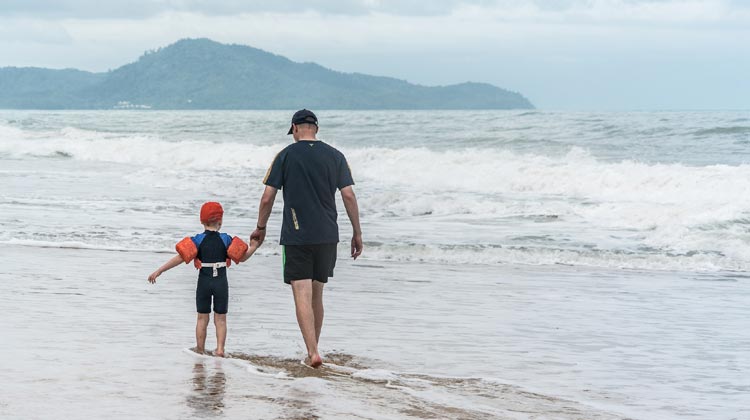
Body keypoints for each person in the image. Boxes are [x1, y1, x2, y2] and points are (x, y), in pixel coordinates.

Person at [251, 109, 363, 368]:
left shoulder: (286, 155)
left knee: (301, 293)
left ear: (295, 128)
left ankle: (312, 351)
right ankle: (315, 348)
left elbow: (267, 197)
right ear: (316, 128)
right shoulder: (336, 156)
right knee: (317, 294)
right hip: (327, 235)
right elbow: (348, 196)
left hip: (296, 235)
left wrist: (260, 227)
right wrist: (357, 232)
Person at [148, 202, 258, 357]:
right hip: (220, 282)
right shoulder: (226, 239)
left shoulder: (197, 240)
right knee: (220, 319)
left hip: (204, 282)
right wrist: (254, 246)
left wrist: (159, 270)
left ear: (201, 221)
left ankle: (200, 349)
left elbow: (180, 258)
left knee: (202, 318)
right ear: (220, 221)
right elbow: (244, 257)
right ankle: (220, 350)